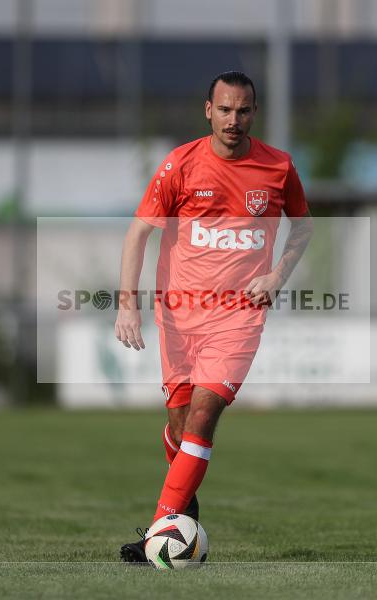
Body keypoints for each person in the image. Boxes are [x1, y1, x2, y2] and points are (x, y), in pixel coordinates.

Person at [115, 71, 313, 562]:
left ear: (254, 113)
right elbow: (138, 234)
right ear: (209, 110)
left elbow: (303, 228)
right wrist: (127, 306)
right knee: (180, 427)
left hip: (239, 316)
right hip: (178, 315)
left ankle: (159, 531)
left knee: (204, 414)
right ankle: (185, 505)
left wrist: (277, 277)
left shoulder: (278, 167)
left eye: (243, 110)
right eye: (225, 109)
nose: (233, 120)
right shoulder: (179, 166)